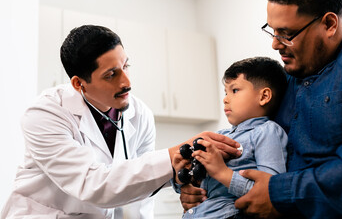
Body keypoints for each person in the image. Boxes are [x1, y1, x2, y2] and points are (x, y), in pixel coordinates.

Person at [0, 25, 242, 219]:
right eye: (111, 74)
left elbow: (142, 178)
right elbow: (92, 184)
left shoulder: (140, 114)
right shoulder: (45, 114)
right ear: (78, 83)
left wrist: (178, 179)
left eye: (126, 66)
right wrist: (172, 157)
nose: (127, 82)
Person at [180, 0, 342, 218]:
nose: (275, 44)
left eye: (286, 34)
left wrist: (279, 193)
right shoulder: (290, 74)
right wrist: (199, 183)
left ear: (328, 23)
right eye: (272, 30)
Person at [172, 57, 288, 219]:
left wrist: (222, 172)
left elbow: (270, 193)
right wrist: (182, 177)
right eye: (225, 92)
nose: (225, 99)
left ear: (264, 96)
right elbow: (197, 186)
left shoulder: (267, 132)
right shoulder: (221, 135)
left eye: (234, 90)